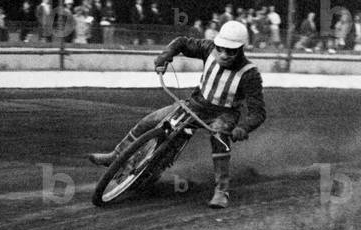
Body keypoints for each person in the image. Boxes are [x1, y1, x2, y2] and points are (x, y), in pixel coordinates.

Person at [88, 20, 266, 209]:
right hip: (196, 104)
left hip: (224, 113)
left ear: (241, 49)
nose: (223, 54)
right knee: (151, 120)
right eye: (221, 48)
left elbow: (258, 112)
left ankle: (222, 191)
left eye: (230, 51)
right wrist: (166, 56)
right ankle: (116, 156)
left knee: (219, 137)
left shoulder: (250, 74)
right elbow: (182, 42)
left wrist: (243, 128)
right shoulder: (208, 49)